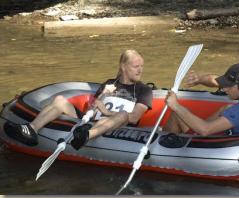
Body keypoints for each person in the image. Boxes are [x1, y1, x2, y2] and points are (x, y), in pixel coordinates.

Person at [5, 49, 153, 149]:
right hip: (91, 121)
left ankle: (85, 137)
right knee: (60, 100)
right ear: (123, 66)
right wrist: (102, 96)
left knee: (123, 115)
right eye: (136, 66)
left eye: (142, 66)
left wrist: (106, 112)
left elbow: (133, 118)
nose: (140, 70)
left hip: (118, 126)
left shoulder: (144, 90)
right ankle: (31, 129)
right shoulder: (108, 84)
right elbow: (91, 109)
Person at [163, 63, 239, 136]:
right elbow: (214, 81)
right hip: (235, 131)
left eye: (228, 86)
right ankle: (195, 129)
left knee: (176, 114)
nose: (223, 88)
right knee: (226, 108)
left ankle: (163, 146)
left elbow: (205, 130)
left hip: (210, 142)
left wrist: (176, 105)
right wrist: (199, 79)